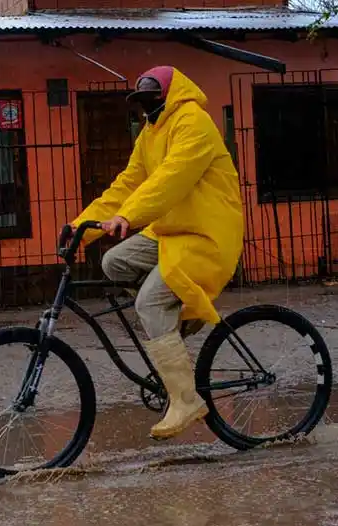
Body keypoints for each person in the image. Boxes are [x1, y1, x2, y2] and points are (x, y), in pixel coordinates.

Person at [70, 66, 244, 440]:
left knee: (149, 302)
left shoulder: (193, 122)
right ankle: (175, 320)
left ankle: (186, 400)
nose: (145, 109)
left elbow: (172, 179)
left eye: (151, 100)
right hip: (170, 234)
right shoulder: (150, 134)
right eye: (140, 103)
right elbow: (127, 184)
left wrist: (128, 216)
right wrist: (78, 229)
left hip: (207, 236)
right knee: (114, 261)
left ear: (169, 95)